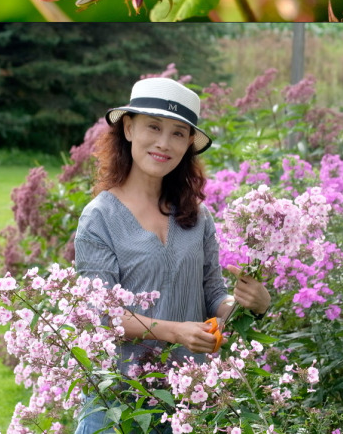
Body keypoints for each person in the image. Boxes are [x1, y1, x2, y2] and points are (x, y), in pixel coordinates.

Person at [73, 77, 273, 434]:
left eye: (179, 133)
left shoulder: (197, 217)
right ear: (129, 128)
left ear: (189, 145)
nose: (164, 143)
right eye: (154, 127)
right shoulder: (99, 218)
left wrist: (248, 303)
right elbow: (99, 315)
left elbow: (213, 294)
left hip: (188, 402)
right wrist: (174, 332)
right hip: (120, 403)